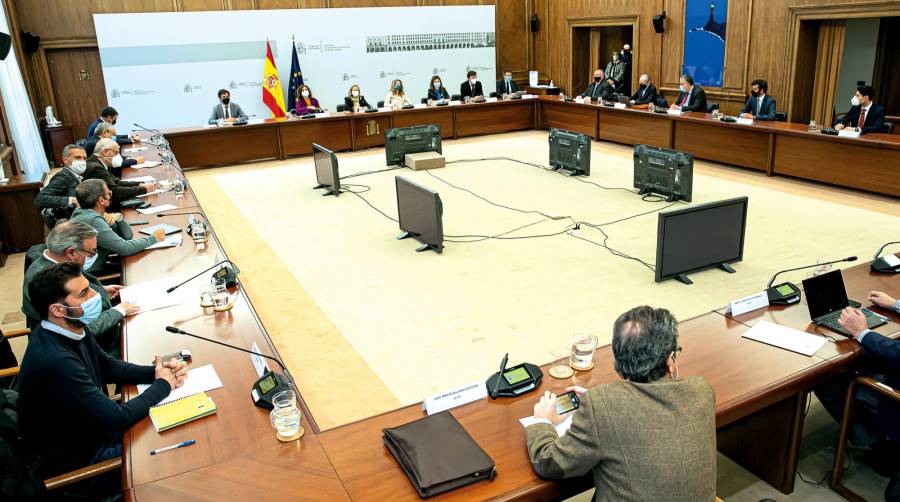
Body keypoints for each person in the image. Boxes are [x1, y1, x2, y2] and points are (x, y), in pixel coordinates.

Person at [17, 262, 186, 492]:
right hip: (83, 464)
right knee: (177, 455)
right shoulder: (56, 361)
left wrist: (155, 371)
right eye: (84, 293)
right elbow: (117, 417)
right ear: (58, 309)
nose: (96, 295)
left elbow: (108, 367)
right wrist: (164, 384)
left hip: (96, 429)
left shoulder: (71, 326)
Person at [525, 306, 716, 502]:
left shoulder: (602, 405)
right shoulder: (702, 390)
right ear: (670, 360)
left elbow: (549, 463)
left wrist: (541, 422)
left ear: (618, 364)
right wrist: (607, 404)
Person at [21, 221, 139, 353]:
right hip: (91, 349)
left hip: (104, 331)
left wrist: (101, 290)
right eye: (92, 252)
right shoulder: (46, 281)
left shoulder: (55, 261)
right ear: (71, 252)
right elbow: (77, 330)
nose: (95, 256)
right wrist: (118, 312)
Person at [70, 179, 164, 275]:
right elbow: (125, 248)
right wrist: (154, 238)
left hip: (98, 267)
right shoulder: (93, 221)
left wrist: (119, 218)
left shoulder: (84, 213)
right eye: (108, 193)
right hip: (92, 275)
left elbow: (127, 236)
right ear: (101, 200)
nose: (110, 195)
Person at [82, 138, 157, 209]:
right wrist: (144, 189)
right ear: (105, 152)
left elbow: (116, 182)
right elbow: (116, 192)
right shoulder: (95, 168)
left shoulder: (100, 162)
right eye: (116, 153)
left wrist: (140, 184)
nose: (118, 156)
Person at [34, 144, 86, 217]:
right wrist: (71, 200)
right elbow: (40, 199)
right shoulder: (63, 177)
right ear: (66, 160)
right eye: (78, 157)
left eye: (84, 158)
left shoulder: (76, 175)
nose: (82, 161)